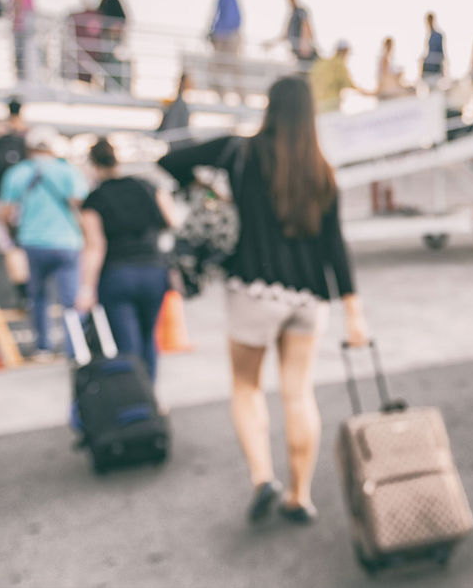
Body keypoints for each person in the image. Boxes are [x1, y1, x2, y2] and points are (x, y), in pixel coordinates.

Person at [157, 75, 369, 526]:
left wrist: (206, 188)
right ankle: (300, 495)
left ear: (269, 108)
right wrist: (353, 311)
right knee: (298, 394)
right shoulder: (321, 169)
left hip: (253, 291)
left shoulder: (239, 152)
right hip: (309, 299)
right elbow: (336, 245)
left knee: (247, 387)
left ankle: (262, 477)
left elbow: (168, 160)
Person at [76, 138, 175, 383]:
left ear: (93, 165)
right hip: (154, 271)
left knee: (127, 344)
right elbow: (171, 219)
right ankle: (151, 398)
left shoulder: (95, 199)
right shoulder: (146, 186)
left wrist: (86, 288)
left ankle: (137, 402)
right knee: (148, 337)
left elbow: (95, 247)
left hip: (118, 275)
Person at [0, 128, 88, 360]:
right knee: (71, 300)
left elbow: (6, 214)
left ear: (29, 148)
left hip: (33, 242)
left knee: (38, 297)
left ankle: (43, 348)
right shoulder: (69, 171)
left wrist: (14, 238)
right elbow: (82, 206)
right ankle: (75, 348)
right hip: (68, 241)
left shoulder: (17, 173)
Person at [208, 0, 243, 97]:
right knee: (217, 67)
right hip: (224, 35)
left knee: (231, 65)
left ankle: (239, 95)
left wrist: (217, 33)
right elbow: (217, 16)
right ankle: (222, 94)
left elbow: (230, 18)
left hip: (228, 36)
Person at [96, 0, 128, 91]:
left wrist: (115, 29)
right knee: (106, 62)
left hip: (111, 39)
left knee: (111, 62)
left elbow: (122, 19)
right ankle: (109, 86)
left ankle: (112, 87)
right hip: (107, 39)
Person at [307, 40, 359, 113]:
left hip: (316, 104)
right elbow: (350, 84)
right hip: (330, 105)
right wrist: (371, 94)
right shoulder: (339, 64)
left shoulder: (320, 63)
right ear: (345, 52)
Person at [9, 0, 36, 82]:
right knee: (23, 49)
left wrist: (15, 18)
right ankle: (22, 75)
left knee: (21, 50)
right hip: (25, 18)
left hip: (22, 19)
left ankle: (22, 77)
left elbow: (20, 1)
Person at [157, 72, 193, 150]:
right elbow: (172, 126)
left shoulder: (179, 102)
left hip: (178, 140)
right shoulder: (178, 104)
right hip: (177, 143)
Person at [282, 0, 316, 65]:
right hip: (295, 49)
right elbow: (285, 34)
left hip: (302, 49)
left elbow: (306, 25)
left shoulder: (300, 11)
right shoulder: (292, 14)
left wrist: (304, 44)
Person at [420, 11, 445, 89]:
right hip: (429, 66)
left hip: (434, 67)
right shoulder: (429, 35)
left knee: (435, 86)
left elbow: (441, 53)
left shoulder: (438, 35)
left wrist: (442, 68)